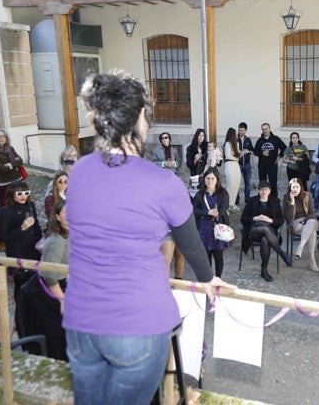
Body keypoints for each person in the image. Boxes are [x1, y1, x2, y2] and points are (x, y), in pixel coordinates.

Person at [64, 71, 233, 405]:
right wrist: (209, 278)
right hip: (139, 324)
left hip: (81, 323)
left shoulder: (79, 170)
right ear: (141, 117)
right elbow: (190, 244)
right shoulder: (164, 183)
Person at [21, 200, 69, 361]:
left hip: (61, 284)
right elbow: (49, 274)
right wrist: (61, 298)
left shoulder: (73, 232)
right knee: (56, 333)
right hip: (49, 291)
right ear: (57, 217)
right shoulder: (57, 241)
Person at [0, 181, 43, 314]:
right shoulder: (6, 211)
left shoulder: (31, 206)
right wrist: (22, 228)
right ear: (12, 194)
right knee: (21, 285)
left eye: (26, 193)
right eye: (20, 193)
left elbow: (37, 226)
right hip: (18, 254)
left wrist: (41, 242)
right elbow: (3, 237)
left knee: (35, 282)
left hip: (33, 251)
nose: (24, 196)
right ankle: (21, 313)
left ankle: (33, 310)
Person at [241, 180, 293, 281]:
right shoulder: (252, 201)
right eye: (261, 189)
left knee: (265, 240)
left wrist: (270, 220)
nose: (263, 192)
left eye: (266, 189)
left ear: (269, 190)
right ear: (258, 191)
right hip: (254, 230)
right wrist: (255, 218)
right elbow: (243, 218)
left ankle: (263, 271)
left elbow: (281, 220)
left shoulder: (275, 201)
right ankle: (282, 254)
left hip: (270, 230)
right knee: (264, 230)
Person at [153, 132, 185, 280]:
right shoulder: (157, 151)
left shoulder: (174, 150)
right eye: (163, 138)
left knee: (180, 256)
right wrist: (165, 164)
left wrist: (175, 164)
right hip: (166, 230)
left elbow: (179, 161)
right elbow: (153, 163)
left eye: (167, 138)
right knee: (166, 259)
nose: (165, 140)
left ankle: (178, 282)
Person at [192, 167, 231, 278]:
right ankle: (208, 279)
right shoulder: (200, 194)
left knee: (218, 256)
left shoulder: (223, 193)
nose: (210, 181)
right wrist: (207, 212)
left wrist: (217, 213)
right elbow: (194, 210)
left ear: (217, 179)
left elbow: (224, 208)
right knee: (206, 256)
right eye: (207, 178)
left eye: (212, 178)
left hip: (218, 228)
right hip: (203, 230)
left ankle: (218, 278)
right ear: (204, 179)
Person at [283, 178, 319, 266]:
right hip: (294, 223)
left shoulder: (307, 195)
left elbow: (312, 214)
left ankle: (301, 246)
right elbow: (288, 218)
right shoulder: (286, 198)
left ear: (301, 187)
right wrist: (292, 202)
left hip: (308, 221)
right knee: (313, 233)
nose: (295, 189)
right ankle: (311, 259)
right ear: (290, 188)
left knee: (312, 221)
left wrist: (302, 222)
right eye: (293, 187)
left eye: (297, 187)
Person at [0, 128, 24, 211]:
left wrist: (10, 164)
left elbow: (20, 161)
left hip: (17, 179)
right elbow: (0, 168)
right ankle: (4, 220)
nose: (1, 138)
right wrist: (14, 163)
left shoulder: (10, 149)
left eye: (3, 136)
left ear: (6, 138)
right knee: (4, 203)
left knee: (19, 200)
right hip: (3, 182)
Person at [254, 123, 287, 198]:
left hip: (272, 165)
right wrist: (262, 153)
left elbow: (284, 148)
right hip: (262, 165)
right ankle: (262, 198)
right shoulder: (260, 140)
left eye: (266, 129)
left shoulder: (275, 139)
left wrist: (279, 157)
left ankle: (274, 199)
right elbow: (255, 151)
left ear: (269, 129)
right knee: (262, 182)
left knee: (273, 183)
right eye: (263, 129)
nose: (265, 131)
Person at [223, 128, 242, 211]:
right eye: (235, 134)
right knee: (230, 185)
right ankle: (225, 204)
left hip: (236, 165)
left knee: (236, 184)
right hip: (229, 164)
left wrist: (242, 153)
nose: (237, 135)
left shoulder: (236, 144)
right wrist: (237, 158)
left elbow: (238, 155)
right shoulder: (227, 144)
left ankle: (232, 204)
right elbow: (228, 156)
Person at [236, 122, 254, 206]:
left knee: (247, 183)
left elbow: (252, 150)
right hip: (237, 164)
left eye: (242, 130)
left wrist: (248, 151)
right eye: (239, 130)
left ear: (245, 130)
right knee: (237, 183)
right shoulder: (235, 139)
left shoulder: (248, 139)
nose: (240, 131)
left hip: (247, 165)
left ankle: (247, 199)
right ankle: (236, 199)